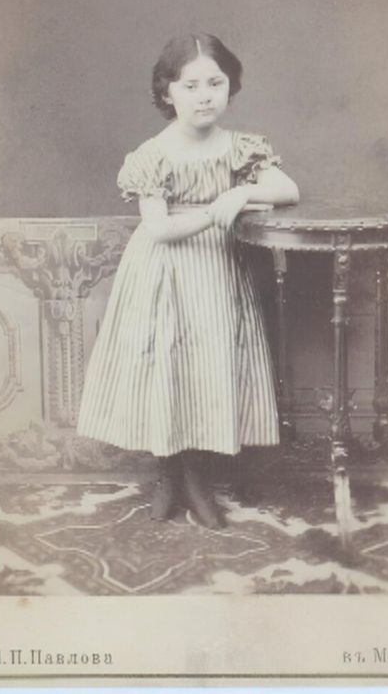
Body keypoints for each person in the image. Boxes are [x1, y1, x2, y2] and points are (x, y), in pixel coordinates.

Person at [77, 33, 299, 529]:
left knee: (206, 369)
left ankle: (198, 479)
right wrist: (215, 212)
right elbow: (159, 228)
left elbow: (288, 189)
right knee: (165, 368)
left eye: (215, 83)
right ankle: (167, 477)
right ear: (167, 92)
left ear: (230, 87)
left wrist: (240, 196)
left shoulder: (240, 148)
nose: (204, 96)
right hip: (161, 272)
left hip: (218, 273)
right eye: (190, 85)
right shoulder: (152, 154)